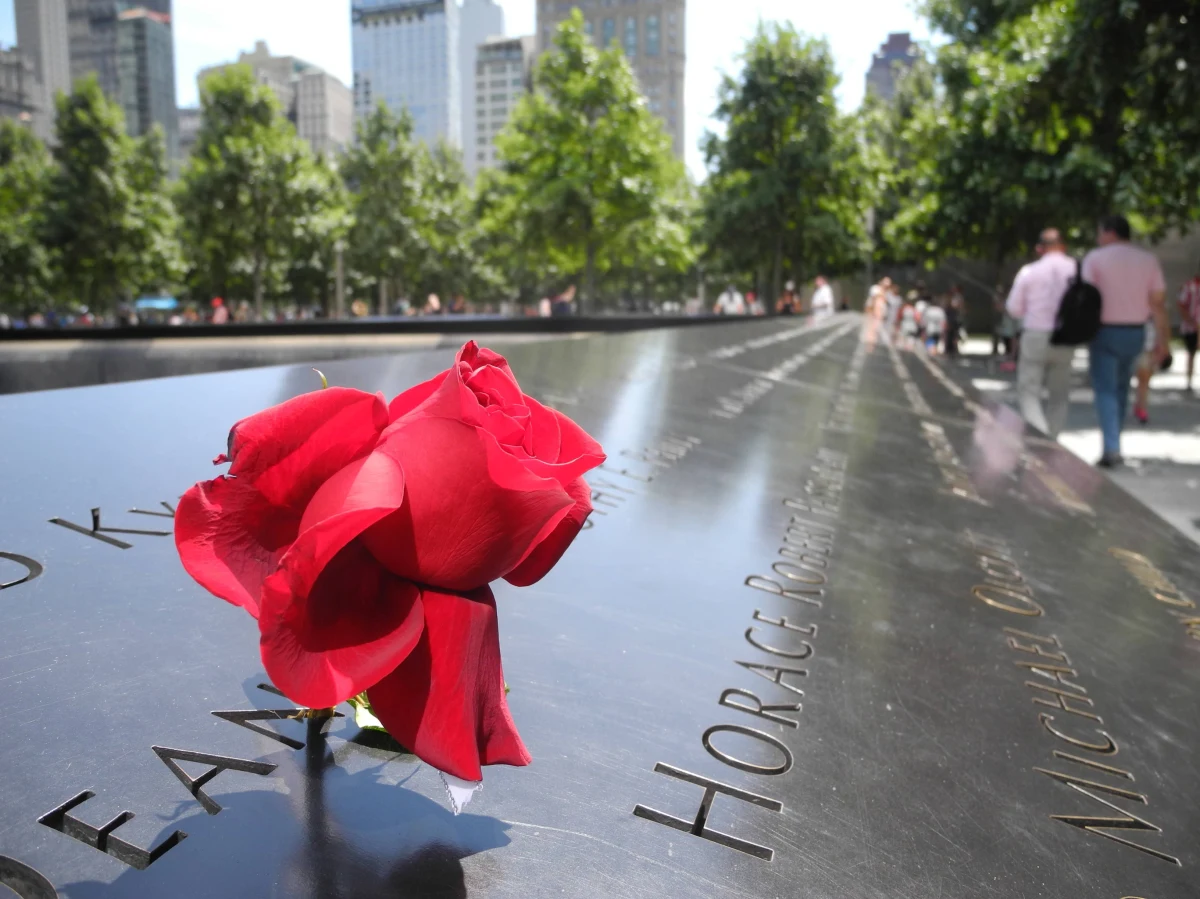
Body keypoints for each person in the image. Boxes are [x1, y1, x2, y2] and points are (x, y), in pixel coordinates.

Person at [1082, 214, 1171, 468]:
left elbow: (1086, 296)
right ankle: (1115, 439)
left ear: (1110, 233)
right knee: (1121, 387)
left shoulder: (1095, 259)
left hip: (1104, 331)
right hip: (1136, 332)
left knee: (1105, 389)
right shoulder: (1148, 260)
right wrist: (1162, 340)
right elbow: (1158, 303)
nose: (1098, 238)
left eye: (1100, 233)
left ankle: (1112, 446)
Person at [1005, 228, 1076, 440]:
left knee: (1028, 391)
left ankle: (1040, 435)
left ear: (1039, 249)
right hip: (1066, 336)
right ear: (1063, 246)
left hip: (1035, 333)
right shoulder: (1077, 269)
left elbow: (1014, 309)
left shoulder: (1029, 271)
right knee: (1060, 394)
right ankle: (1053, 438)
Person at [1178, 265, 1200, 392]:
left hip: (1193, 325)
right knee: (1191, 353)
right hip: (1191, 327)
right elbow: (1181, 304)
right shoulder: (1189, 286)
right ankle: (1189, 381)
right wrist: (1190, 321)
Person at [945, 285, 965, 359]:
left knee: (954, 334)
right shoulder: (951, 297)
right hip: (952, 318)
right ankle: (950, 349)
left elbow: (956, 306)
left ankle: (953, 349)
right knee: (950, 334)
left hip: (955, 319)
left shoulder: (958, 297)